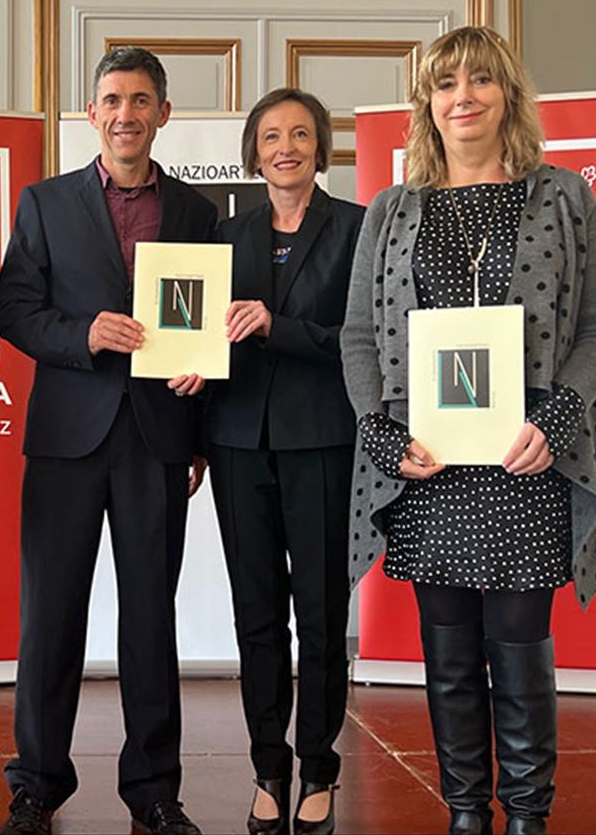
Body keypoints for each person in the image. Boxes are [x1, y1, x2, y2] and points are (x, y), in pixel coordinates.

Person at [341, 27, 596, 835]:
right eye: (443, 84)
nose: (460, 96)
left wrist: (557, 413)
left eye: (478, 80)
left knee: (517, 647)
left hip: (525, 459)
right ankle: (467, 813)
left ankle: (529, 817)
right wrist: (376, 430)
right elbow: (358, 337)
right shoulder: (390, 210)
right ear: (425, 107)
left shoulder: (565, 195)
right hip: (428, 467)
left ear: (508, 94)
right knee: (449, 658)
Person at [0, 46, 217, 835]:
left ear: (163, 113)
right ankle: (36, 786)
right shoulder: (45, 203)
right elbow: (13, 311)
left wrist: (200, 389)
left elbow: (205, 328)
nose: (127, 113)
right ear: (92, 114)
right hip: (66, 440)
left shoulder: (197, 212)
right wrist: (84, 333)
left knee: (151, 618)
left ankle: (154, 790)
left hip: (159, 439)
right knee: (50, 616)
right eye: (113, 100)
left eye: (142, 100)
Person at [204, 88, 363, 835]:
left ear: (320, 146)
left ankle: (319, 770)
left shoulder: (358, 230)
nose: (286, 146)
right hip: (237, 443)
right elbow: (201, 336)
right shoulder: (224, 234)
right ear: (254, 150)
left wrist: (280, 326)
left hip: (324, 443)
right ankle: (269, 768)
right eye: (271, 135)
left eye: (301, 133)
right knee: (256, 615)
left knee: (322, 615)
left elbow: (362, 343)